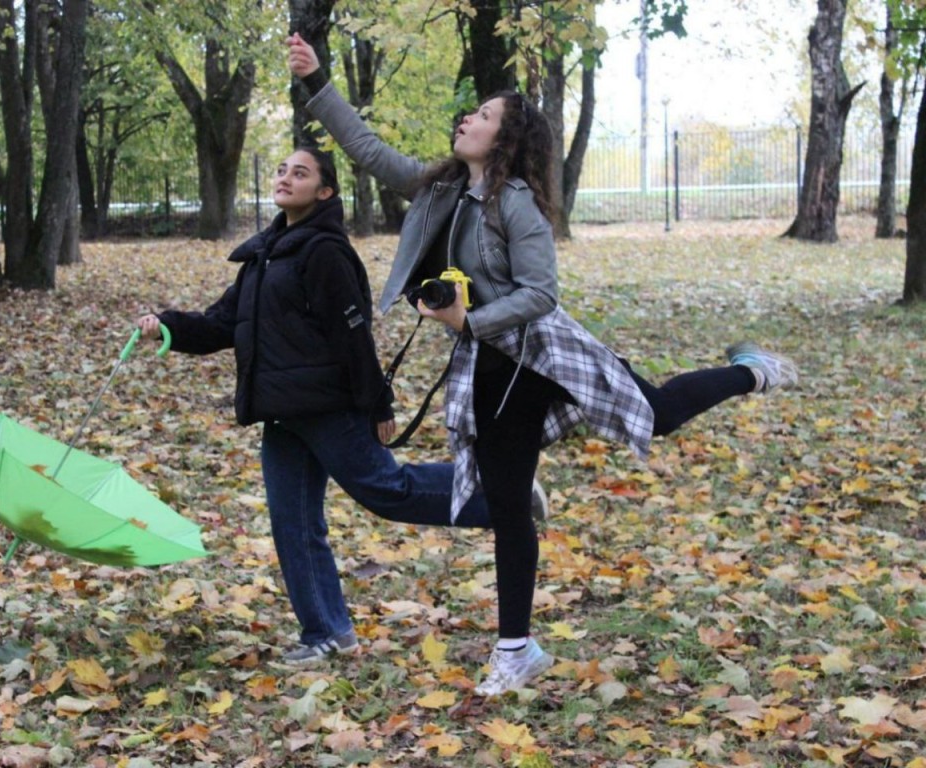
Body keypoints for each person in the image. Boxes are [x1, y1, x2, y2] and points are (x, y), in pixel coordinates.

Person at [287, 33, 798, 697]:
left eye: (485, 115)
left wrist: (472, 320)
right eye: (471, 112)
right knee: (506, 502)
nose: (469, 119)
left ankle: (751, 371)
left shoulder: (517, 203)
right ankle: (516, 650)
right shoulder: (441, 189)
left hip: (545, 354)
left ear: (503, 140)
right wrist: (316, 81)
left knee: (660, 414)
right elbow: (368, 151)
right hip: (491, 366)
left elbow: (541, 294)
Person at [136, 147, 516, 665]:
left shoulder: (324, 252)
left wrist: (377, 403)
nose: (286, 177)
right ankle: (326, 633)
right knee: (293, 525)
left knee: (389, 490)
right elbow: (223, 323)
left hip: (330, 407)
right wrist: (168, 325)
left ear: (325, 192)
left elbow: (352, 332)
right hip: (282, 415)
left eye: (301, 172)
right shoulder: (264, 254)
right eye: (281, 170)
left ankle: (504, 493)